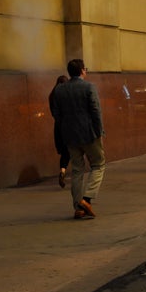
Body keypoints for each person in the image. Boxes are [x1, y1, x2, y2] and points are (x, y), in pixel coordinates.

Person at [50, 59, 105, 220]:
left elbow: (57, 115)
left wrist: (65, 130)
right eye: (85, 69)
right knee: (98, 165)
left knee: (77, 170)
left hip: (69, 135)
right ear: (82, 70)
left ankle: (78, 208)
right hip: (89, 134)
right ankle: (86, 200)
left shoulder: (59, 90)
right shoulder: (89, 87)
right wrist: (99, 131)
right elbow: (96, 111)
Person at [48, 75, 70, 188]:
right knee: (74, 151)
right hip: (69, 126)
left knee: (65, 153)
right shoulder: (67, 95)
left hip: (58, 127)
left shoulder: (52, 95)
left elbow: (54, 113)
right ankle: (76, 176)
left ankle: (62, 171)